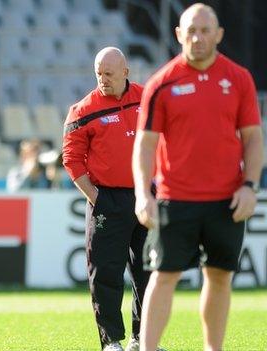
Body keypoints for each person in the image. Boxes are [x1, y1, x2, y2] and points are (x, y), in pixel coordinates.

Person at [132, 4, 263, 351]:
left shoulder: (239, 79)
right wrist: (143, 195)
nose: (198, 37)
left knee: (219, 277)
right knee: (163, 276)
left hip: (226, 200)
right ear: (178, 34)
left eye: (205, 31)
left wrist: (251, 186)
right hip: (175, 199)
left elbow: (253, 138)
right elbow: (144, 146)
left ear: (219, 35)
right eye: (190, 30)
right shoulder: (161, 83)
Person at [62, 47, 155, 351]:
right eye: (98, 73)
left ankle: (142, 339)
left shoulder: (148, 97)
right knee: (105, 272)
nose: (103, 79)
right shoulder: (82, 110)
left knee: (149, 272)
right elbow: (72, 160)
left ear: (126, 73)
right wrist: (97, 198)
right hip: (107, 200)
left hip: (146, 196)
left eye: (109, 74)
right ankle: (111, 341)